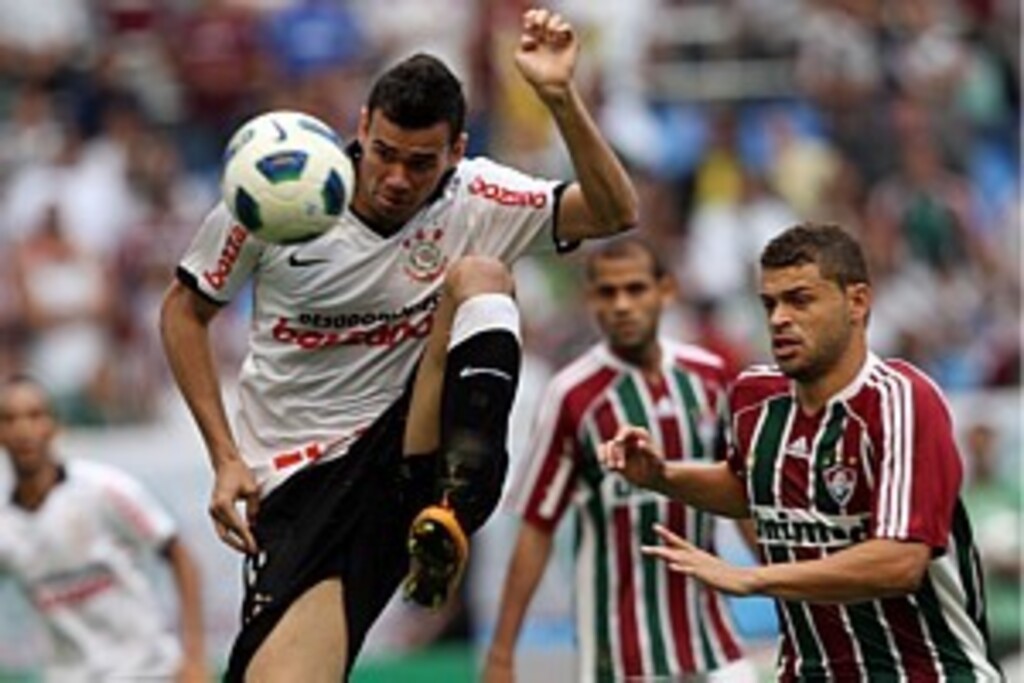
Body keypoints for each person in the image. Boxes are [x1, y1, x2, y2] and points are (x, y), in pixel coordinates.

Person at [159, 7, 638, 682]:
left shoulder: (478, 195)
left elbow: (616, 211)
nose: (396, 178)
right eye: (384, 153)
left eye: (420, 163)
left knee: (482, 276)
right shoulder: (280, 190)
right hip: (301, 478)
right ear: (361, 128)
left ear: (455, 150)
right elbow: (184, 312)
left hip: (411, 445)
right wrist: (224, 456)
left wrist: (559, 97)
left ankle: (455, 508)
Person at [599, 223, 1004, 681]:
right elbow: (751, 489)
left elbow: (900, 561)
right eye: (769, 304)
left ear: (857, 302)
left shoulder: (901, 400)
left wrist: (752, 579)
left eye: (800, 300)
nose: (778, 319)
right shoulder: (754, 395)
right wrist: (662, 476)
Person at [484, 238, 757, 682]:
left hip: (713, 639)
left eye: (635, 289)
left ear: (665, 290)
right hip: (620, 652)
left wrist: (791, 589)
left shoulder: (709, 377)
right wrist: (501, 653)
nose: (622, 305)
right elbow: (537, 525)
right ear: (591, 299)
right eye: (608, 293)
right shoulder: (572, 394)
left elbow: (740, 494)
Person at [0, 375, 207, 682]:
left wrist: (194, 657)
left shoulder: (103, 490)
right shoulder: (6, 527)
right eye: (9, 419)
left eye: (35, 415)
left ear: (55, 425)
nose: (23, 430)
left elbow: (180, 557)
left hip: (148, 671)